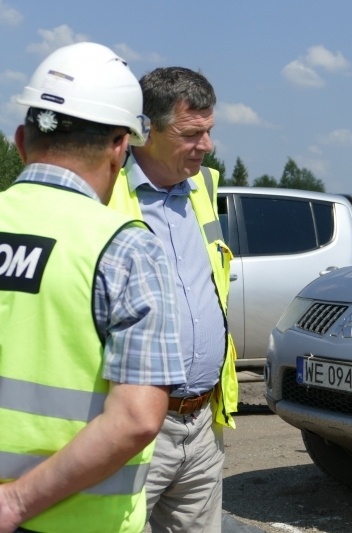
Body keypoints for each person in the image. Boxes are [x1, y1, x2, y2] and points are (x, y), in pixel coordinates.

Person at [0, 42, 185, 533]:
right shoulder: (124, 248)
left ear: (21, 140)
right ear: (121, 148)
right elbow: (138, 418)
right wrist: (15, 502)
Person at [107, 66, 238, 532]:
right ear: (145, 130)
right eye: (191, 133)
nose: (206, 145)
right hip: (133, 423)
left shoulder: (203, 188)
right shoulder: (106, 195)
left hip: (202, 420)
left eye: (209, 131)